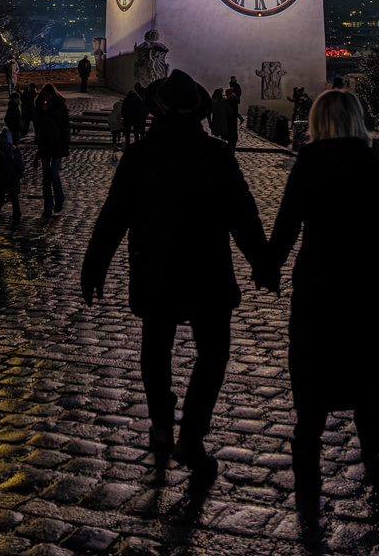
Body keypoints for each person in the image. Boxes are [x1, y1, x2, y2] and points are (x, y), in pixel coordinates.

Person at [81, 69, 272, 471]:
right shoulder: (217, 155)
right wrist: (262, 263)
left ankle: (161, 426)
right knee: (214, 354)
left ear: (159, 111)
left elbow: (113, 217)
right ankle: (191, 436)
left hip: (156, 270)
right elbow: (244, 217)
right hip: (208, 272)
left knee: (156, 352)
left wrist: (94, 266)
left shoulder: (140, 157)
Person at [267, 89, 379, 505]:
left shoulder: (307, 166)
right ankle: (372, 450)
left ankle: (306, 457)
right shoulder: (374, 168)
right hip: (365, 282)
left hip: (317, 282)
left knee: (312, 367)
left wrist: (268, 268)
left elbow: (285, 229)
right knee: (368, 369)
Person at [34, 83, 70, 218]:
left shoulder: (59, 106)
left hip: (57, 144)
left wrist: (66, 144)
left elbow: (65, 125)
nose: (45, 97)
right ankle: (48, 206)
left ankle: (59, 199)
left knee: (53, 174)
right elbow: (37, 124)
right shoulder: (39, 106)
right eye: (43, 95)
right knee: (46, 177)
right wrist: (42, 113)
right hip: (44, 144)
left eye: (47, 95)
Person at [0, 128, 25, 233]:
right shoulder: (12, 152)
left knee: (2, 202)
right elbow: (20, 167)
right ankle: (14, 221)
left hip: (5, 181)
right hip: (7, 181)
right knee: (10, 201)